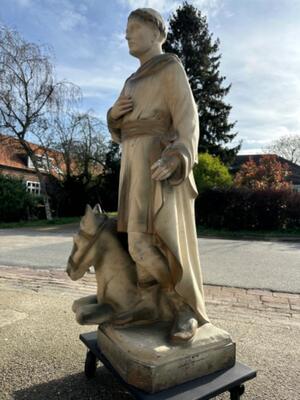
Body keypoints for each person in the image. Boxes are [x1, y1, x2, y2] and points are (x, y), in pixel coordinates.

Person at [107, 8, 210, 342]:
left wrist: (179, 155)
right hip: (133, 166)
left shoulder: (170, 68)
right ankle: (149, 302)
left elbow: (187, 119)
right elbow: (120, 132)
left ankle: (184, 308)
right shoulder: (130, 81)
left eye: (134, 27)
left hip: (160, 165)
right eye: (126, 29)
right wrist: (112, 117)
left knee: (167, 240)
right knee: (137, 244)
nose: (127, 34)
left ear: (157, 33)